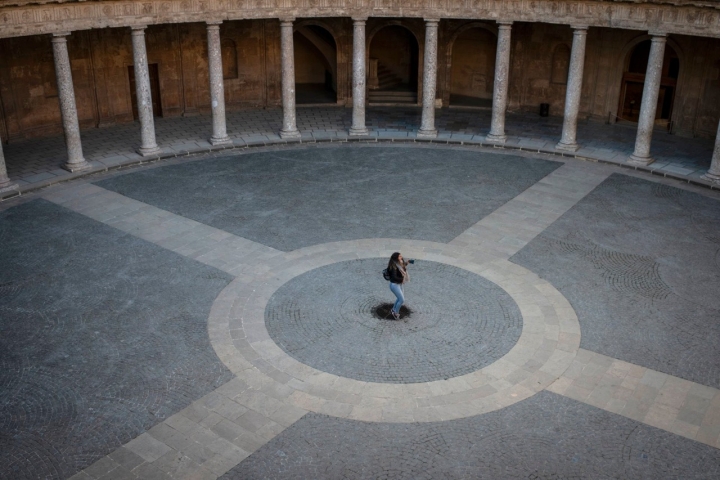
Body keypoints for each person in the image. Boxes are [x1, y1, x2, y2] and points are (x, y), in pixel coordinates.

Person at [386, 252, 411, 321]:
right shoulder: (393, 266)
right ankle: (395, 313)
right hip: (394, 285)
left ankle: (393, 310)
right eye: (400, 256)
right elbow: (394, 277)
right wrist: (401, 280)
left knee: (399, 298)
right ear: (396, 258)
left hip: (399, 284)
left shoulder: (398, 263)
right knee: (401, 299)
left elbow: (402, 267)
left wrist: (407, 263)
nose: (401, 257)